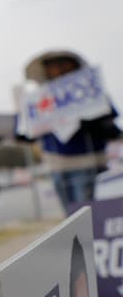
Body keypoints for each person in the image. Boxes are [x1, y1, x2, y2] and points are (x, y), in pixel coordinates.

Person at [24, 50, 121, 216]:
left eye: (62, 65)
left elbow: (111, 124)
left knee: (89, 220)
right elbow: (30, 132)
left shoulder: (89, 91)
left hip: (88, 163)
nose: (58, 70)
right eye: (52, 67)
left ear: (75, 66)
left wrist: (91, 119)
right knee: (71, 221)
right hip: (57, 167)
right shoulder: (40, 98)